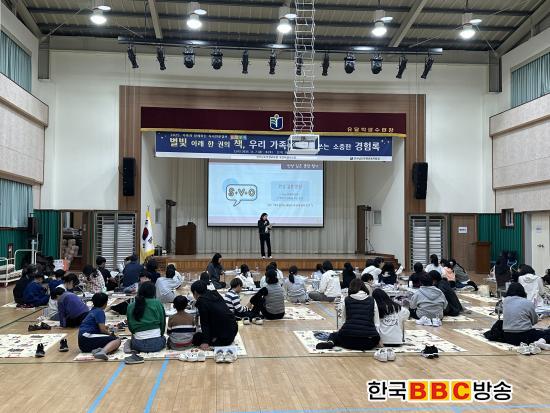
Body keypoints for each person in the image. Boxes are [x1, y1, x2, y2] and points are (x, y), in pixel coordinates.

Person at [318, 279, 380, 351]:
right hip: (368, 343)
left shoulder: (346, 300)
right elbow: (376, 322)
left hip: (347, 342)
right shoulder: (372, 300)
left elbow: (343, 321)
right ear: (364, 288)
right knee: (376, 337)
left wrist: (341, 332)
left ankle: (331, 342)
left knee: (334, 335)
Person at [191, 280, 238, 349]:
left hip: (225, 338)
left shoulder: (202, 301)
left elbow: (204, 323)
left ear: (195, 292)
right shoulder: (214, 293)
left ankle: (215, 338)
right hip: (233, 330)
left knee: (196, 338)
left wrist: (205, 341)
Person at [78, 292, 122, 360]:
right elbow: (102, 330)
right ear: (105, 303)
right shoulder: (100, 311)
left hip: (82, 343)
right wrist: (111, 335)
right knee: (117, 340)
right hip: (87, 338)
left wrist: (106, 328)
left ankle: (98, 350)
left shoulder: (92, 310)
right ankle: (103, 352)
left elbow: (97, 326)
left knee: (108, 340)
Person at [126, 282, 166, 353]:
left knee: (130, 339)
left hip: (138, 345)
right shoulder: (157, 303)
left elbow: (131, 327)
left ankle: (128, 347)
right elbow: (163, 323)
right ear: (153, 292)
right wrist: (161, 335)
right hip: (157, 344)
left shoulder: (131, 306)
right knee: (165, 338)